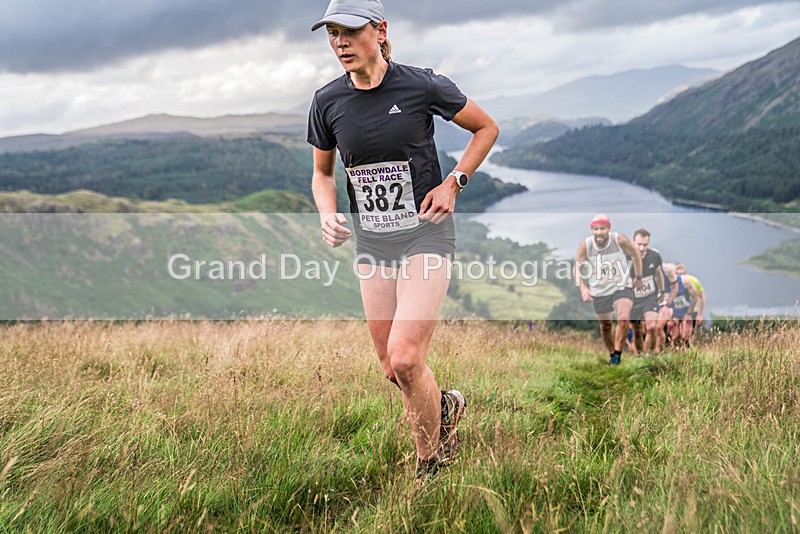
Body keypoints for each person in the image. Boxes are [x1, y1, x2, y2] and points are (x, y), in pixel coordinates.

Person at [307, 0, 499, 480]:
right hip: (373, 245)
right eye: (332, 33)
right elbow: (322, 174)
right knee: (393, 369)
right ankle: (447, 408)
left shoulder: (421, 85)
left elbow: (486, 128)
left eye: (350, 31)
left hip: (425, 235)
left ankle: (429, 466)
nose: (340, 43)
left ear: (380, 30)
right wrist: (327, 215)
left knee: (408, 356)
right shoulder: (326, 101)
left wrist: (454, 182)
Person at [575, 214, 643, 365]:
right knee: (605, 326)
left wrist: (638, 277)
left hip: (621, 286)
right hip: (599, 290)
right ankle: (612, 354)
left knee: (623, 318)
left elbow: (635, 254)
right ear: (591, 230)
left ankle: (618, 355)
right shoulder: (586, 245)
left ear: (609, 229)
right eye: (596, 229)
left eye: (602, 228)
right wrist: (583, 288)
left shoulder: (619, 240)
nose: (599, 232)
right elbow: (577, 267)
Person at [629, 228, 665, 357]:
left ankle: (649, 355)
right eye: (639, 244)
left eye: (645, 244)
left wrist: (662, 291)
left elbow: (658, 274)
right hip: (633, 299)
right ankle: (639, 356)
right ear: (633, 242)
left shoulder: (654, 257)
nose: (642, 248)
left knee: (651, 327)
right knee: (637, 330)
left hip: (650, 296)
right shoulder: (626, 258)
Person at [665, 270, 699, 348]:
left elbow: (695, 297)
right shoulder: (665, 283)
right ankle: (676, 355)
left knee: (685, 336)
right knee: (674, 337)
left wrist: (689, 313)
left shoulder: (685, 281)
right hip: (673, 313)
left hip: (685, 312)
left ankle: (688, 353)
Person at [675, 262, 707, 329]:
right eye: (678, 274)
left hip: (691, 311)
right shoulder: (670, 281)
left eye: (682, 273)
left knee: (687, 336)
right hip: (675, 312)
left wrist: (700, 314)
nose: (680, 276)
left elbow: (702, 297)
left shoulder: (693, 280)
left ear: (685, 272)